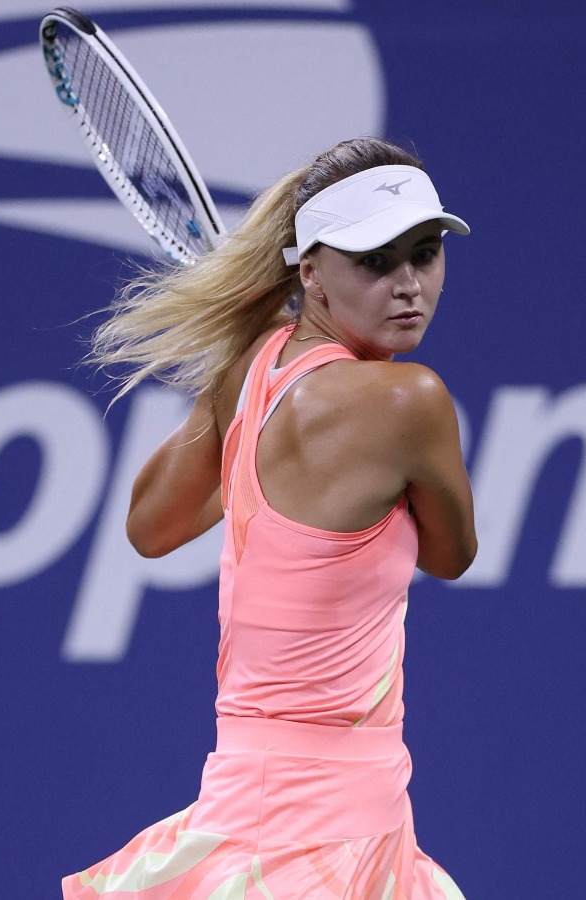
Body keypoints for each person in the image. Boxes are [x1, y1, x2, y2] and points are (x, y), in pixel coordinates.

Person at [63, 137, 477, 899]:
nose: (409, 284)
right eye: (376, 261)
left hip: (263, 814)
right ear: (310, 271)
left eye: (424, 253)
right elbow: (452, 554)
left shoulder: (250, 371)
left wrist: (233, 388)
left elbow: (151, 526)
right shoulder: (409, 401)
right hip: (324, 835)